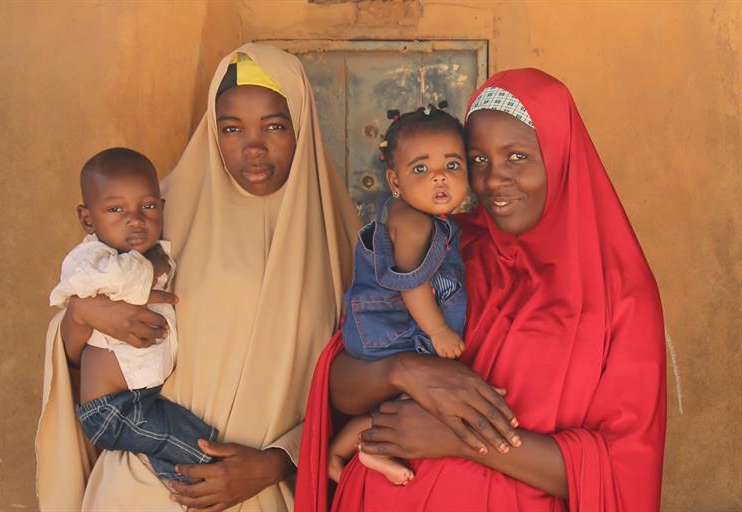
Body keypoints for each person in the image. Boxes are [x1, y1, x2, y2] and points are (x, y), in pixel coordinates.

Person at [296, 68, 667, 511]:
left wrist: (463, 439)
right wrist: (405, 371)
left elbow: (623, 469)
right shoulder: (448, 248)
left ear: (561, 156)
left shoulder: (619, 294)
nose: (492, 179)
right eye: (477, 160)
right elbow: (342, 386)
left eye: (517, 157)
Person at [36, 43, 360, 511]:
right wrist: (84, 314)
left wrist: (276, 462)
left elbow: (350, 389)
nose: (253, 146)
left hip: (266, 493)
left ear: (302, 128)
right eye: (231, 128)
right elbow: (77, 356)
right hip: (146, 490)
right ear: (212, 129)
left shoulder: (344, 243)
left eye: (274, 126)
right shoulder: (153, 217)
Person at [49, 147, 218, 482]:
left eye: (149, 206)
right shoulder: (92, 258)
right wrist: (151, 269)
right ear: (87, 219)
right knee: (202, 447)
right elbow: (111, 280)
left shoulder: (150, 250)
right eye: (115, 209)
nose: (136, 219)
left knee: (182, 447)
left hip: (140, 400)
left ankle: (182, 484)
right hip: (114, 410)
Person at [328, 105, 471, 486]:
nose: (439, 177)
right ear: (395, 181)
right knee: (427, 400)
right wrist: (438, 331)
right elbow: (411, 281)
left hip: (387, 324)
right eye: (420, 169)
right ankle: (372, 450)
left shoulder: (419, 216)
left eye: (453, 166)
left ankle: (346, 444)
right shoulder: (411, 222)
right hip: (393, 327)